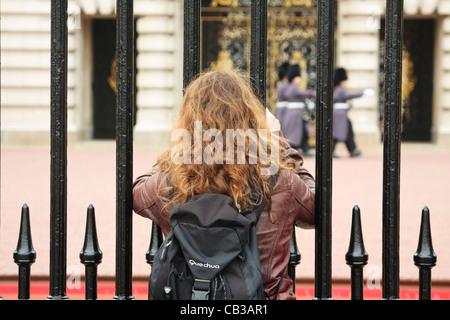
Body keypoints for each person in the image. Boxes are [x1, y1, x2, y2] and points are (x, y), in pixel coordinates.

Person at [133, 68, 315, 300]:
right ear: (251, 117)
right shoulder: (280, 178)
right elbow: (316, 209)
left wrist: (181, 150)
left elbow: (137, 191)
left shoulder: (170, 181)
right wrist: (278, 142)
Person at [333, 67, 374, 158]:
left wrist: (349, 106)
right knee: (337, 133)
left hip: (340, 114)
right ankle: (348, 150)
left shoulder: (337, 88)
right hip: (340, 115)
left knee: (347, 131)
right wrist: (363, 93)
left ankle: (352, 149)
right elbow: (348, 95)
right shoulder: (341, 89)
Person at [282, 64, 315, 157]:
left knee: (301, 130)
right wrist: (312, 93)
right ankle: (295, 149)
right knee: (295, 132)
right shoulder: (294, 86)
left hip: (296, 112)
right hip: (295, 112)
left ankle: (304, 148)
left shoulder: (291, 86)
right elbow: (302, 93)